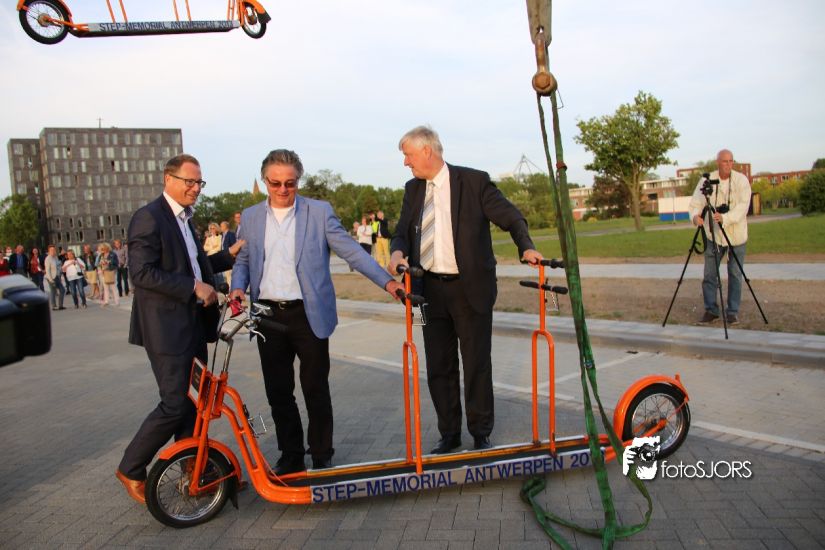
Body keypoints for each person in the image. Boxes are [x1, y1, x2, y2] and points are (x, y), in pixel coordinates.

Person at [230, 149, 404, 476]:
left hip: (308, 315)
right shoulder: (251, 217)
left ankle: (322, 453)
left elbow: (353, 253)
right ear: (265, 181)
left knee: (315, 389)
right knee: (278, 392)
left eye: (290, 183)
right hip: (266, 316)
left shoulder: (319, 212)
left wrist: (388, 282)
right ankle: (291, 455)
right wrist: (238, 287)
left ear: (299, 180)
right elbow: (244, 260)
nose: (283, 189)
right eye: (276, 183)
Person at [389, 126, 542, 454]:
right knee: (438, 367)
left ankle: (480, 432)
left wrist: (526, 246)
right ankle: (449, 434)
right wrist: (397, 253)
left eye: (408, 155)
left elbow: (511, 217)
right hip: (428, 291)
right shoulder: (413, 190)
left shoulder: (473, 182)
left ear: (427, 151)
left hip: (469, 289)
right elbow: (401, 231)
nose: (405, 162)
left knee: (476, 364)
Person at [115, 154, 236, 504]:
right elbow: (142, 273)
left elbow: (194, 266)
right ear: (168, 179)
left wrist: (230, 254)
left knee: (193, 402)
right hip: (167, 330)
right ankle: (131, 468)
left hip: (193, 325)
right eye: (189, 182)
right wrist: (193, 288)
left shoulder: (186, 220)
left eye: (200, 183)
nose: (196, 189)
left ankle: (194, 473)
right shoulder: (149, 217)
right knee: (174, 403)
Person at [688, 149, 751, 325]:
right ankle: (711, 310)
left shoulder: (741, 181)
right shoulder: (707, 180)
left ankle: (732, 311)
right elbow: (695, 203)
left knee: (735, 274)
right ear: (718, 162)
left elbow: (743, 208)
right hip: (713, 235)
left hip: (736, 236)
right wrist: (695, 217)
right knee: (709, 274)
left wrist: (725, 218)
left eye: (731, 161)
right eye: (725, 161)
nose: (728, 164)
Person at [96, 242, 120, 307]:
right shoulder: (101, 255)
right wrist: (100, 265)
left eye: (102, 249)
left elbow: (116, 263)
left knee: (113, 287)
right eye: (101, 249)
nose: (102, 250)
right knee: (105, 288)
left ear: (106, 248)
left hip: (110, 272)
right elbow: (98, 264)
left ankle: (117, 302)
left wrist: (108, 262)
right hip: (103, 273)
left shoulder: (113, 254)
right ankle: (106, 301)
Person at [44, 245, 66, 311]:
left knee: (62, 290)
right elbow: (47, 270)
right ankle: (54, 306)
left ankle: (60, 305)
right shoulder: (48, 259)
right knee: (53, 291)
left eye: (54, 250)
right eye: (52, 250)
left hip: (57, 276)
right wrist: (50, 280)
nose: (53, 251)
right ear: (49, 251)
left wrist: (61, 271)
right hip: (51, 277)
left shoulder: (55, 257)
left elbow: (58, 266)